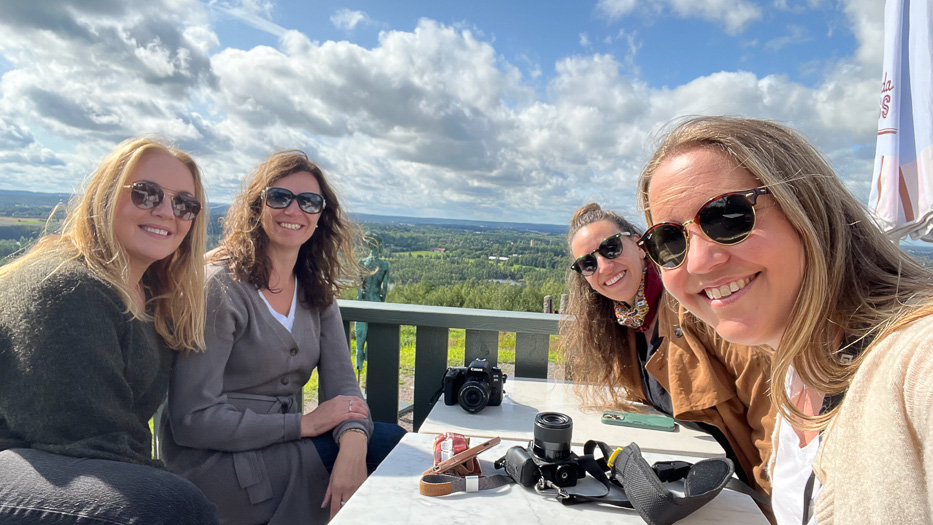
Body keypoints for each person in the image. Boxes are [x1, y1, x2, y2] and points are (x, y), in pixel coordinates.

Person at [637, 115, 933, 524]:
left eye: (727, 216)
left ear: (808, 206)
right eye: (668, 240)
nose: (701, 261)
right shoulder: (796, 368)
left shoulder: (917, 363)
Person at [162, 150, 406, 524]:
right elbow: (193, 419)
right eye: (279, 197)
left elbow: (345, 391)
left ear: (320, 216)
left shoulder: (315, 292)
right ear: (257, 206)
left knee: (395, 448)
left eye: (309, 201)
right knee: (396, 453)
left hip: (282, 450)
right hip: (217, 468)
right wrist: (303, 425)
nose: (294, 210)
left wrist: (354, 444)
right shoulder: (222, 290)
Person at [0, 138, 217, 524]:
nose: (168, 211)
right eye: (146, 194)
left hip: (53, 458)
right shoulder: (68, 288)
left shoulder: (151, 297)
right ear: (106, 195)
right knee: (170, 502)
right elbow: (88, 436)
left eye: (185, 204)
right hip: (21, 456)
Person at [562, 203, 776, 503]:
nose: (604, 267)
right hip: (691, 477)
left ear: (639, 244)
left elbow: (769, 407)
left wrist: (772, 499)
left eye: (610, 248)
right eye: (588, 264)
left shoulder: (695, 304)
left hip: (744, 484)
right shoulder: (625, 324)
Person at [354, 232, 389, 376]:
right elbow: (385, 288)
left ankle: (358, 366)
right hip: (376, 301)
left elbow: (359, 285)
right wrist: (382, 300)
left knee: (360, 337)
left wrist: (360, 298)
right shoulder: (384, 265)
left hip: (363, 301)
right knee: (373, 338)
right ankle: (370, 371)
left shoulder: (362, 262)